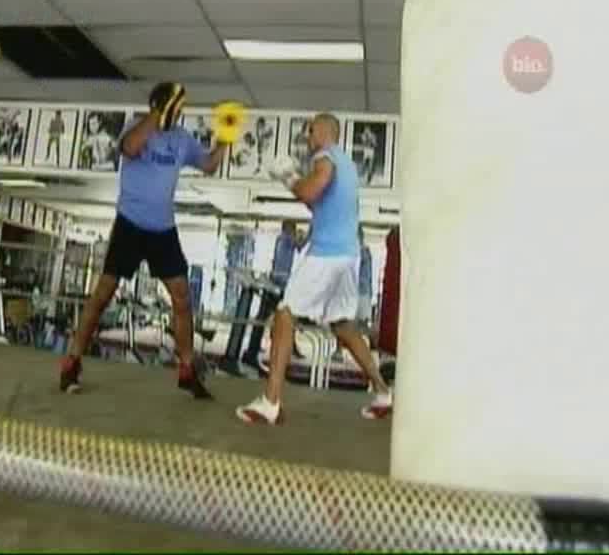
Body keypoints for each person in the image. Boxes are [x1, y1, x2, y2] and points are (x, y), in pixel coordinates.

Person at [58, 82, 227, 398]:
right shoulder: (136, 126)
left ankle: (187, 370)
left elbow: (208, 165)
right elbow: (129, 148)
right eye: (175, 106)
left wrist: (225, 139)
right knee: (103, 295)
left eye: (180, 108)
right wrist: (156, 115)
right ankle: (71, 363)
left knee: (182, 297)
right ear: (159, 106)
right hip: (130, 225)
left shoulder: (182, 139)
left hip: (163, 229)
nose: (179, 113)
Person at [236, 114, 393, 424]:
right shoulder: (346, 165)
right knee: (342, 325)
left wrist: (289, 177)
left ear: (323, 131)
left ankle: (271, 401)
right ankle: (383, 392)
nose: (307, 137)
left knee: (285, 314)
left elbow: (308, 192)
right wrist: (292, 180)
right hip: (349, 255)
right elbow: (317, 203)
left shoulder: (325, 156)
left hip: (327, 253)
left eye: (310, 131)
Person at [241, 220, 304, 370]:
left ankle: (254, 349)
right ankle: (255, 350)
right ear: (289, 229)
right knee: (282, 316)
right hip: (278, 284)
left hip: (277, 283)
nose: (295, 232)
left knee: (267, 317)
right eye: (294, 230)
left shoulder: (281, 239)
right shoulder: (286, 239)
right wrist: (309, 232)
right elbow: (301, 246)